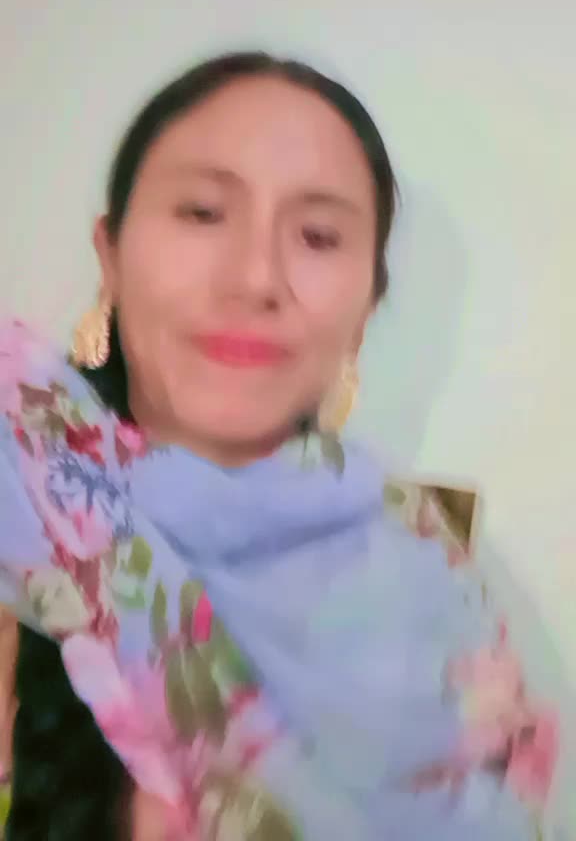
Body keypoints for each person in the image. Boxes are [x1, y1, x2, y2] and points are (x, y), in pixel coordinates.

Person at [0, 52, 557, 840]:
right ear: (111, 256)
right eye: (203, 213)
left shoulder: (426, 563)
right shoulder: (23, 509)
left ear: (366, 309)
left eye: (318, 236)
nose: (256, 277)